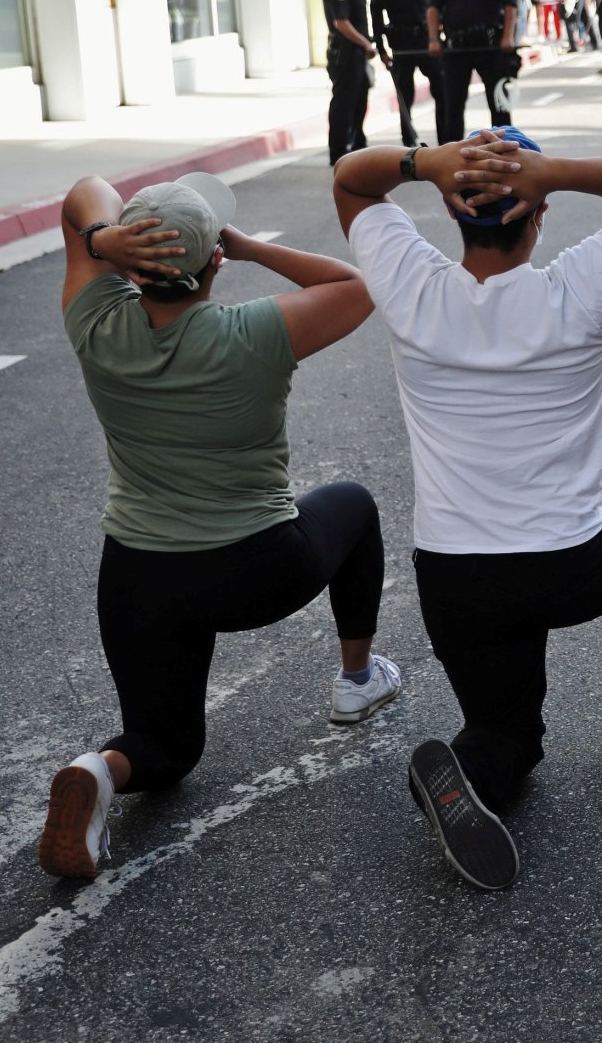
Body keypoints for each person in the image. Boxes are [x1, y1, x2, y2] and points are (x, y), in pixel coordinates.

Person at [331, 128, 602, 892]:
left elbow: (352, 179)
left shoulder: (414, 290)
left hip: (455, 579)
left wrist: (426, 162)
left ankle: (472, 765)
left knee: (510, 737)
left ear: (449, 209)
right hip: (570, 567)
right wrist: (552, 172)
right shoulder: (573, 290)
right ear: (537, 213)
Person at [39, 171, 393, 880]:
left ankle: (98, 769)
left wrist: (105, 240)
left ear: (129, 266)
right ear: (215, 264)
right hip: (255, 571)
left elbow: (84, 191)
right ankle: (357, 680)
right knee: (352, 503)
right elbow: (356, 287)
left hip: (139, 577)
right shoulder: (254, 330)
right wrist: (251, 247)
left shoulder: (96, 323)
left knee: (164, 750)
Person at [427, 0, 519, 143]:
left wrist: (508, 36)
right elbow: (433, 8)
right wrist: (433, 39)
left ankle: (504, 147)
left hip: (490, 44)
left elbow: (510, 5)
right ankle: (451, 152)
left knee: (498, 103)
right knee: (453, 104)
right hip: (457, 46)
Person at [374, 0, 436, 149]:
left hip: (426, 41)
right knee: (405, 93)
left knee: (442, 88)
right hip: (401, 45)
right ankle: (408, 138)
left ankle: (447, 135)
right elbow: (376, 18)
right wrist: (381, 49)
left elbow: (436, 3)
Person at [324, 0, 375, 165]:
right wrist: (366, 44)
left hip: (356, 54)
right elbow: (342, 24)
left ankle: (357, 144)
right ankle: (339, 151)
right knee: (344, 103)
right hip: (344, 55)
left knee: (359, 100)